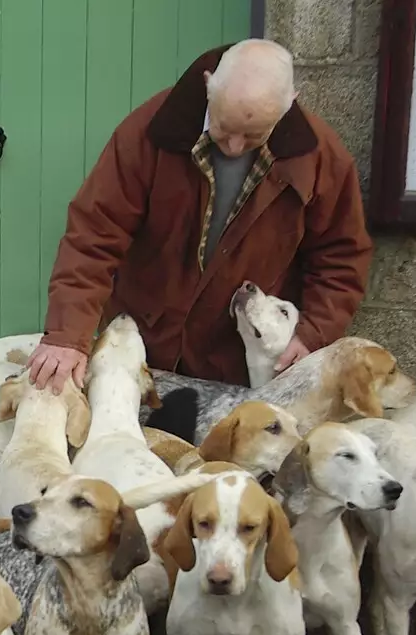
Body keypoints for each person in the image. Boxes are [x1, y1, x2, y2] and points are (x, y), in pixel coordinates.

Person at [28, 39, 372, 393]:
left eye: (254, 135)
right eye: (224, 128)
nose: (235, 147)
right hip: (145, 346)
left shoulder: (319, 158)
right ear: (209, 85)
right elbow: (94, 235)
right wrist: (68, 336)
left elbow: (341, 257)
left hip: (237, 362)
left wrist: (313, 333)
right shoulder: (150, 132)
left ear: (290, 103)